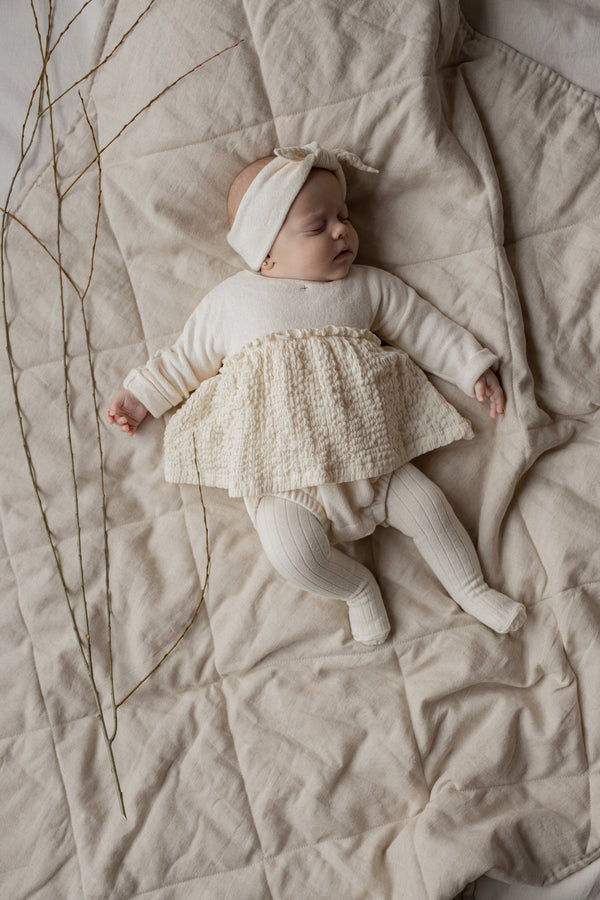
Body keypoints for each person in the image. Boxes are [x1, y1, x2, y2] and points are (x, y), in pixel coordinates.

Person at [107, 142, 526, 646]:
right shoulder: (233, 301)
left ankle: (473, 588)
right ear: (265, 251)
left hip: (374, 458)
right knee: (293, 555)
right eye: (317, 226)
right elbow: (184, 358)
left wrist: (469, 366)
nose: (341, 230)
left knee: (433, 511)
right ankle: (357, 589)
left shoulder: (367, 286)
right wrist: (139, 397)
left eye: (343, 216)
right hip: (284, 478)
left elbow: (421, 325)